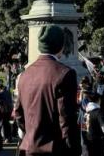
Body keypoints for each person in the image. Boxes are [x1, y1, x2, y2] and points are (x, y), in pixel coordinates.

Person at [14, 25, 81, 156]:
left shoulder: (24, 75)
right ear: (60, 46)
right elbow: (66, 119)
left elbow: (18, 114)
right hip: (54, 149)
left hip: (29, 148)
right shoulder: (65, 74)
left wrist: (32, 134)